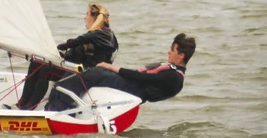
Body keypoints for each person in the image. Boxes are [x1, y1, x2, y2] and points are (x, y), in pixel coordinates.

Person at [45, 33, 196, 112]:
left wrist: (113, 68)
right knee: (89, 70)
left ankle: (55, 109)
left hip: (132, 90)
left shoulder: (174, 77)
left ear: (181, 55)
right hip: (130, 84)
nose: (168, 52)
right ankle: (57, 97)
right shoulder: (172, 70)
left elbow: (141, 77)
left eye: (172, 49)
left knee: (96, 73)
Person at [12, 3, 118, 110]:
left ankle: (29, 107)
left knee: (45, 71)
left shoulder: (104, 35)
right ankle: (21, 103)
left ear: (94, 18)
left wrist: (62, 46)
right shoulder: (98, 36)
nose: (85, 17)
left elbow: (79, 40)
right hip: (80, 69)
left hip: (87, 75)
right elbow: (77, 53)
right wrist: (60, 54)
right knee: (37, 62)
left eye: (87, 14)